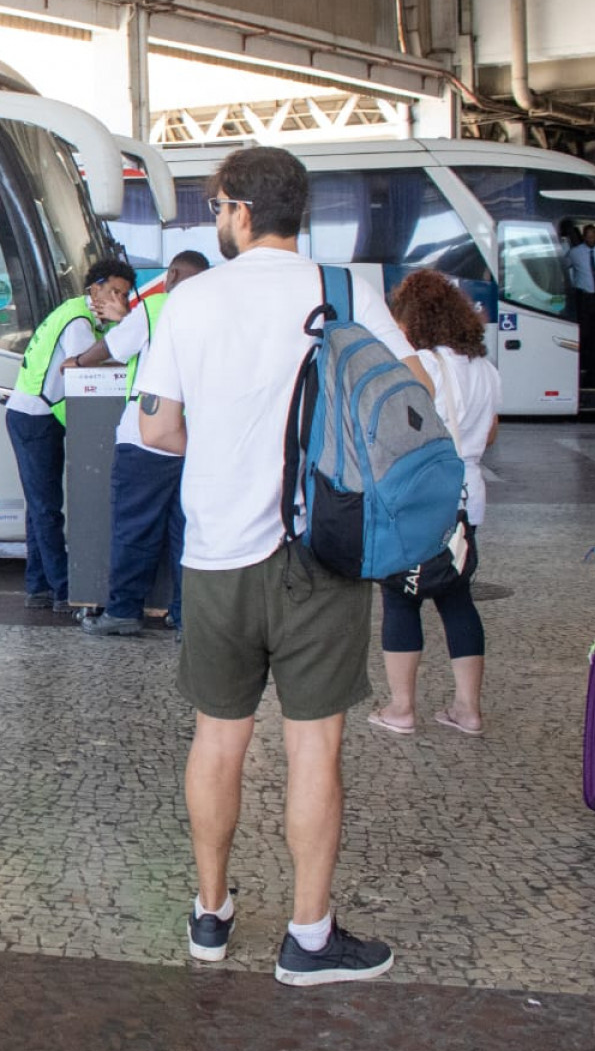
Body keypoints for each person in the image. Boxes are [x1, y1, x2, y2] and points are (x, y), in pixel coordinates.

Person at [136, 146, 430, 987]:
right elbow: (415, 402)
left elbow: (157, 429)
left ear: (236, 209)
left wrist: (224, 449)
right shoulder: (344, 292)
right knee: (315, 747)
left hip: (217, 555)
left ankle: (210, 912)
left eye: (217, 206)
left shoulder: (191, 301)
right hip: (322, 554)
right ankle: (308, 936)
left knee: (218, 737)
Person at [368, 270, 502, 737]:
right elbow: (489, 433)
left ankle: (401, 709)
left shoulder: (420, 364)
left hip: (422, 496)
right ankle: (468, 710)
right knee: (457, 596)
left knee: (400, 597)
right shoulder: (484, 367)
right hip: (469, 495)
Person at [70, 250, 211, 638]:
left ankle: (123, 612)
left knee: (134, 529)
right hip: (194, 440)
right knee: (187, 534)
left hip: (144, 436)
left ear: (172, 275)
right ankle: (186, 619)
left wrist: (79, 363)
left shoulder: (158, 306)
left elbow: (111, 349)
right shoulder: (216, 313)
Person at [6, 259, 135, 612]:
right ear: (94, 287)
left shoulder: (77, 313)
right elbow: (88, 364)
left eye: (124, 295)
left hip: (32, 415)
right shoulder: (79, 320)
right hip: (36, 418)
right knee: (47, 508)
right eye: (113, 291)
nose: (119, 300)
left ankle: (39, 585)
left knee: (39, 506)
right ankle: (64, 589)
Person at [568, 223, 595, 387]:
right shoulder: (575, 253)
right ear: (584, 236)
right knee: (585, 332)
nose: (591, 238)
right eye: (588, 235)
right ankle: (584, 366)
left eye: (593, 235)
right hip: (585, 297)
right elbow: (565, 268)